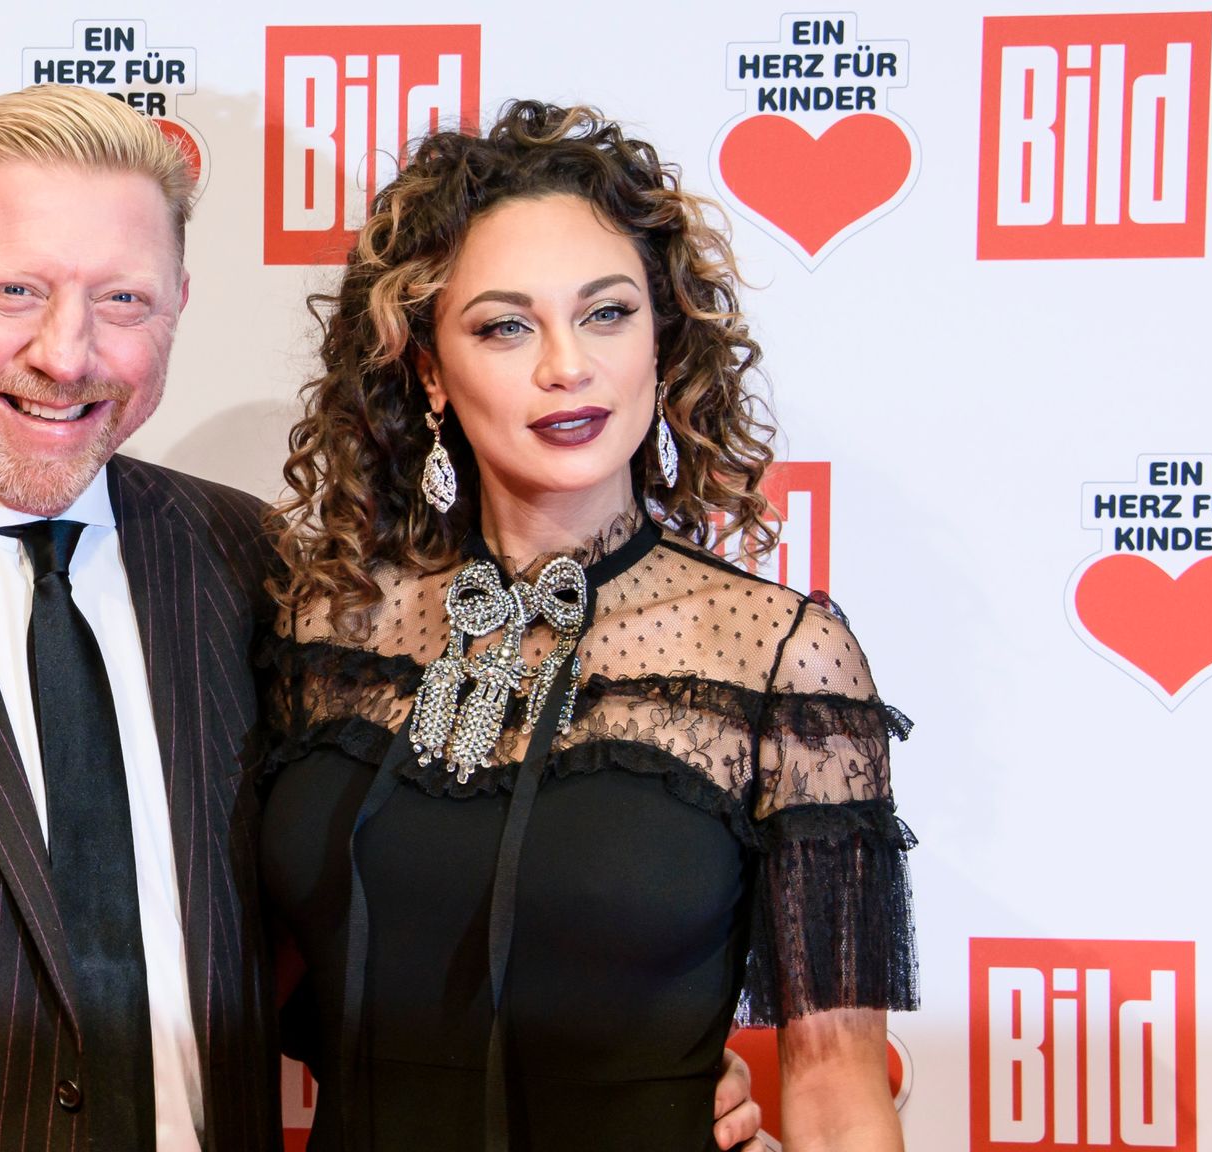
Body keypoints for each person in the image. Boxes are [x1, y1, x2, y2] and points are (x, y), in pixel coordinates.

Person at [0, 86, 762, 1151]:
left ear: (177, 305)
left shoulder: (255, 569)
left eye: (121, 299)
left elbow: (347, 943)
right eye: (14, 290)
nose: (66, 353)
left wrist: (610, 1073)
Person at [254, 101, 917, 1151]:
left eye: (606, 313)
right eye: (504, 326)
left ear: (662, 343)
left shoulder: (779, 656)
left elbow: (836, 1085)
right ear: (429, 370)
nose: (566, 365)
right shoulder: (327, 622)